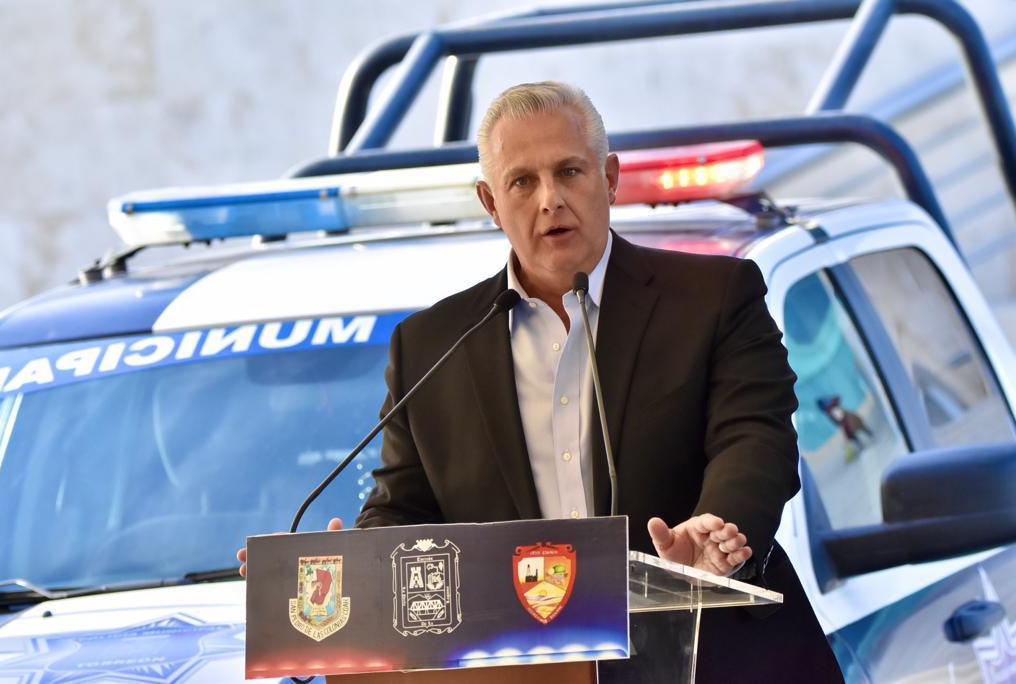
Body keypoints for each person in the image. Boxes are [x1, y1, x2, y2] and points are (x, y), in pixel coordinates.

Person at [240, 81, 843, 681]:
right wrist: (359, 564)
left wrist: (718, 529)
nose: (550, 199)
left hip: (716, 658)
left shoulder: (714, 297)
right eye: (522, 182)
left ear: (609, 178)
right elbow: (406, 510)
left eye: (569, 172)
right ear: (490, 201)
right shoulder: (431, 345)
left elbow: (754, 437)